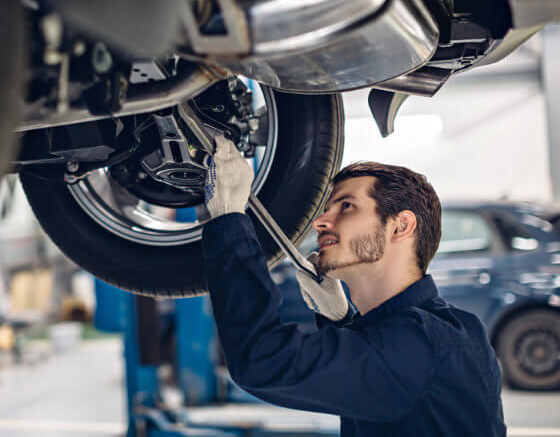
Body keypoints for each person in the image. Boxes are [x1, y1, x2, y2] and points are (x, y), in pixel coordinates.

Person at [202, 136, 506, 436]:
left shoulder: (421, 343)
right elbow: (378, 375)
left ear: (401, 226)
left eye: (346, 206)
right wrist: (341, 321)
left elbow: (262, 361)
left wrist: (230, 220)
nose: (319, 222)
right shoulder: (449, 330)